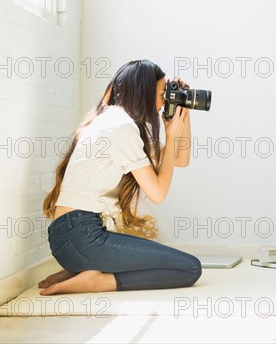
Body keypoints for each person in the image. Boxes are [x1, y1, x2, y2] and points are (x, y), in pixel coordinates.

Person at [38, 59, 202, 295]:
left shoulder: (116, 121)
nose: (163, 101)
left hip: (72, 237)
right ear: (142, 93)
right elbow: (158, 193)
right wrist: (171, 134)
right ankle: (96, 281)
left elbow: (180, 159)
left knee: (183, 266)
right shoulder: (121, 127)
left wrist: (182, 114)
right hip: (81, 237)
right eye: (160, 94)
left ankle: (82, 269)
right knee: (189, 268)